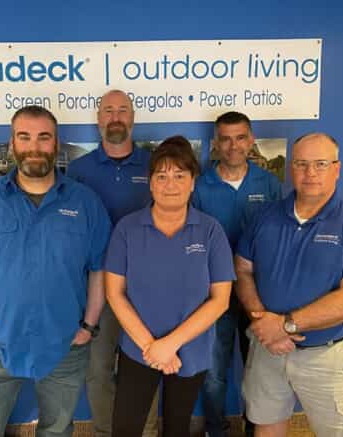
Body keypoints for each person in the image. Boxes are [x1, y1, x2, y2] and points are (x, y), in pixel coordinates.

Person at [0, 106, 111, 437]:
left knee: (56, 430)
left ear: (56, 144)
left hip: (64, 343)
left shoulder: (84, 202)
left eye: (43, 137)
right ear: (12, 144)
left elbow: (99, 270)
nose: (34, 147)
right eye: (25, 137)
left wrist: (88, 326)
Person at [235, 133, 343, 437]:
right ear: (292, 168)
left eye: (320, 164)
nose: (310, 173)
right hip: (268, 349)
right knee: (266, 426)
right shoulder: (264, 217)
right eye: (302, 164)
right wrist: (262, 320)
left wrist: (286, 325)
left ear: (337, 169)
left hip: (329, 356)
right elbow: (243, 270)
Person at [104, 136, 235, 437]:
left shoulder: (210, 231)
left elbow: (220, 300)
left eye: (179, 175)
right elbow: (114, 293)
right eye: (161, 176)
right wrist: (152, 347)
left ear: (192, 182)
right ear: (150, 183)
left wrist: (169, 345)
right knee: (125, 428)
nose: (170, 184)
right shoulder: (127, 229)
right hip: (139, 349)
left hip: (191, 349)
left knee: (177, 427)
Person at [67, 89, 155, 437]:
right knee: (98, 370)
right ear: (98, 119)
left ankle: (146, 433)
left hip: (145, 288)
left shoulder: (154, 165)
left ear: (133, 118)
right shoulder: (79, 170)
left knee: (145, 366)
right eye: (108, 111)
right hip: (97, 289)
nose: (115, 117)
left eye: (122, 110)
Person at [192, 111, 281, 437]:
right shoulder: (200, 186)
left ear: (251, 140)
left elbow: (278, 237)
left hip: (258, 293)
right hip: (214, 293)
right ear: (215, 143)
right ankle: (215, 430)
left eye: (240, 138)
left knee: (260, 371)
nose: (233, 146)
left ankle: (256, 429)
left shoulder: (268, 184)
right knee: (214, 372)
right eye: (225, 139)